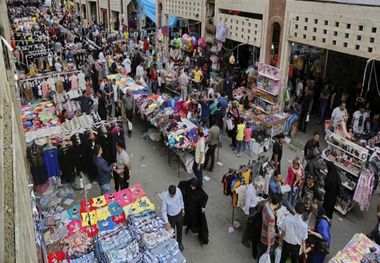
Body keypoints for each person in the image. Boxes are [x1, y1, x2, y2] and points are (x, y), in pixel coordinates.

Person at [178, 178, 209, 245]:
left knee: (196, 222)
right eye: (191, 186)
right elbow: (181, 184)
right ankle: (188, 228)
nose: (192, 188)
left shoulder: (199, 191)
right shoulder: (187, 185)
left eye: (193, 186)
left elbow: (205, 197)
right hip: (187, 207)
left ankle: (199, 235)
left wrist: (203, 206)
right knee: (187, 219)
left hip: (195, 210)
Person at [257, 194, 283, 261]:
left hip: (262, 233)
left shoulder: (266, 205)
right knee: (264, 257)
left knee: (260, 255)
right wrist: (268, 247)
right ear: (277, 204)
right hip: (267, 240)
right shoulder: (271, 217)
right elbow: (269, 232)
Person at [161, 185, 185, 251]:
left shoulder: (178, 191)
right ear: (168, 192)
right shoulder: (165, 197)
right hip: (171, 217)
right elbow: (163, 210)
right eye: (171, 195)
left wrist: (183, 208)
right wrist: (167, 222)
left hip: (179, 214)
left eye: (174, 195)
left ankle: (179, 243)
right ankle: (173, 244)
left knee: (180, 230)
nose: (173, 196)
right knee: (172, 232)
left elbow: (181, 199)